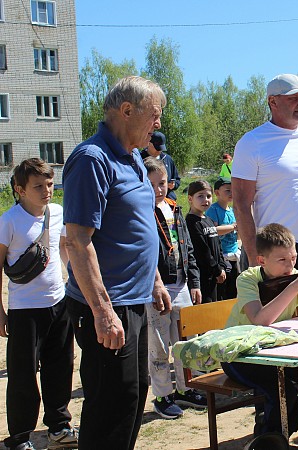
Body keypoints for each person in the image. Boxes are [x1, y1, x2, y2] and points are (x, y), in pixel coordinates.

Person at [63, 75, 172, 450]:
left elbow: (137, 228)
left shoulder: (135, 159)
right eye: (153, 115)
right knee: (110, 404)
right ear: (127, 110)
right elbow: (78, 242)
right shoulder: (92, 159)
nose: (158, 124)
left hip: (134, 301)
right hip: (108, 305)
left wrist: (155, 280)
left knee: (133, 394)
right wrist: (103, 312)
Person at [221, 223, 298, 436]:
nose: (291, 265)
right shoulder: (248, 279)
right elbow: (260, 320)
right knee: (284, 388)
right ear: (261, 260)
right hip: (238, 354)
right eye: (282, 260)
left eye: (294, 258)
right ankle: (272, 436)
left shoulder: (295, 277)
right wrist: (293, 287)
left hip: (274, 354)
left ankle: (278, 435)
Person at [0, 159, 78, 450]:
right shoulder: (9, 220)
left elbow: (64, 249)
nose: (47, 191)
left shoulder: (58, 213)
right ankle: (19, 437)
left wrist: (71, 284)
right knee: (23, 373)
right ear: (20, 189)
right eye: (38, 186)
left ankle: (59, 426)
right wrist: (0, 312)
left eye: (49, 184)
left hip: (59, 304)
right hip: (24, 310)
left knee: (61, 367)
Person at [232, 73, 298, 270]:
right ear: (273, 101)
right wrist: (255, 259)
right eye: (293, 98)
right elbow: (241, 205)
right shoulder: (251, 142)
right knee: (282, 302)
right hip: (276, 250)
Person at [144, 157, 207, 420]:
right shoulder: (141, 212)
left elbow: (187, 248)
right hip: (156, 287)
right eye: (152, 185)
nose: (159, 190)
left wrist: (194, 282)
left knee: (186, 341)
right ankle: (162, 395)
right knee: (159, 345)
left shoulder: (174, 208)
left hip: (181, 284)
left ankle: (184, 388)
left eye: (162, 183)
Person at [186, 180, 228, 303]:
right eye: (200, 196)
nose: (206, 200)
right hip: (203, 276)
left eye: (208, 196)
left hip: (216, 275)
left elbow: (217, 245)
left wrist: (222, 266)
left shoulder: (208, 219)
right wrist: (216, 269)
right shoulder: (191, 222)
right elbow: (202, 250)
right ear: (190, 198)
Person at [206, 176, 240, 300]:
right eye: (227, 190)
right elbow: (213, 231)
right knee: (223, 290)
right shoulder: (213, 210)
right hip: (222, 256)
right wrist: (232, 227)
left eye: (233, 190)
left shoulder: (231, 210)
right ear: (217, 193)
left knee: (234, 288)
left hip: (234, 254)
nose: (231, 193)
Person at [141, 131, 181, 201]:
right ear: (149, 143)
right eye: (157, 148)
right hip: (147, 199)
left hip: (168, 199)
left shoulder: (168, 159)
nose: (159, 151)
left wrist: (173, 185)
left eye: (161, 148)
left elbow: (177, 179)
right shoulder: (139, 158)